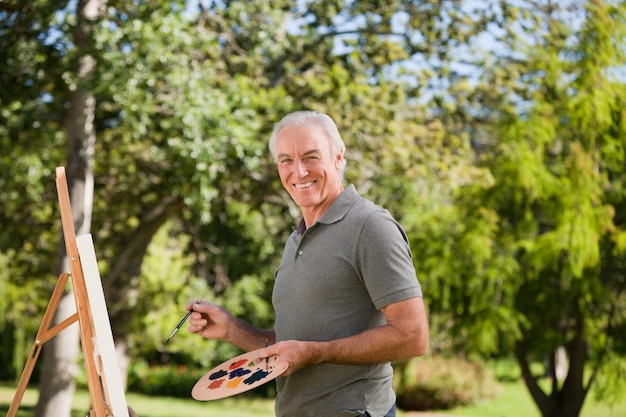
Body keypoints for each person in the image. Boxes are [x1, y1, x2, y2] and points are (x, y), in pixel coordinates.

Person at [188, 110, 429, 417]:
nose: (298, 171)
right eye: (285, 160)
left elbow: (413, 336)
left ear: (338, 158)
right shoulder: (296, 240)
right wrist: (232, 330)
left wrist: (317, 354)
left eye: (310, 157)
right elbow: (293, 348)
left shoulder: (370, 227)